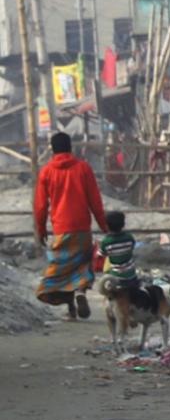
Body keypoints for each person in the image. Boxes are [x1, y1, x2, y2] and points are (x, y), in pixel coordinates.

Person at [31, 132, 106, 319]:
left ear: (52, 149)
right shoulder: (83, 168)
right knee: (81, 267)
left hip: (60, 230)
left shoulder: (46, 172)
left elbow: (40, 206)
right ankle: (80, 293)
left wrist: (40, 230)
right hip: (82, 229)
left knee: (62, 271)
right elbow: (95, 201)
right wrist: (105, 226)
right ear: (70, 147)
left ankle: (71, 308)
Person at [97, 209, 141, 308]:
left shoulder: (106, 242)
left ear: (107, 226)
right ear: (123, 224)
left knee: (106, 286)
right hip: (131, 276)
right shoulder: (129, 237)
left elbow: (101, 254)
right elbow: (132, 246)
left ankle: (111, 302)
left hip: (116, 277)